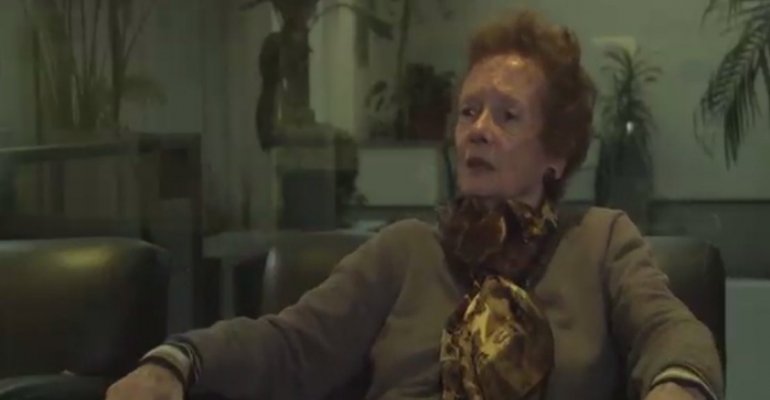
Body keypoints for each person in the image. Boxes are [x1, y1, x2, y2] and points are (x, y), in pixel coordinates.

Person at [105, 9, 723, 400]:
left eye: (507, 116)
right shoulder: (404, 250)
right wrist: (178, 362)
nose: (478, 130)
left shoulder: (601, 241)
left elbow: (670, 333)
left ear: (556, 153)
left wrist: (679, 387)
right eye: (468, 112)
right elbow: (289, 346)